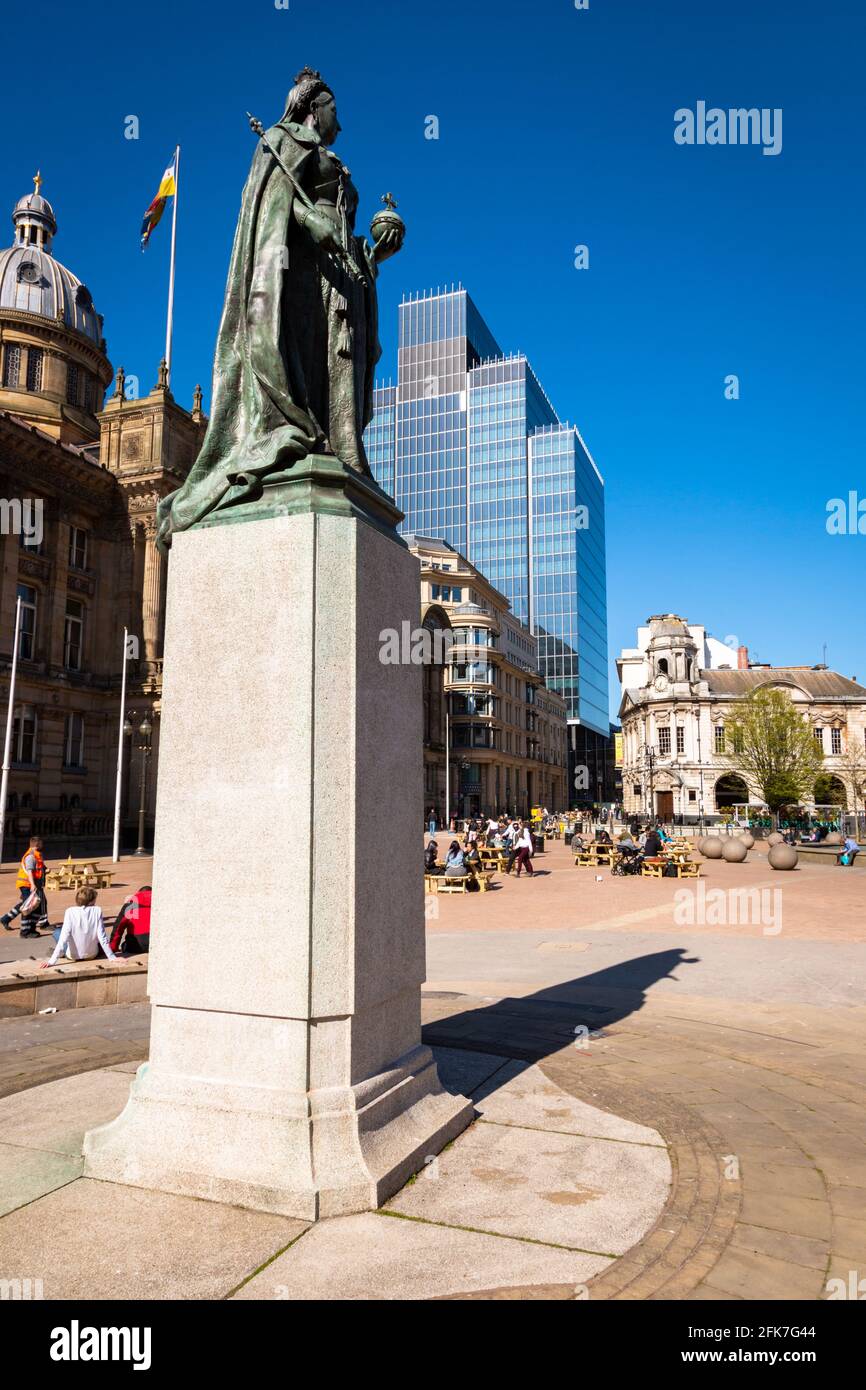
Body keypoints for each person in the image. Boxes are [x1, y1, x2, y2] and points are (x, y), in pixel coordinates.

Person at [40, 887, 116, 967]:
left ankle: (59, 953)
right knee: (62, 932)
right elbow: (102, 937)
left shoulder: (70, 911)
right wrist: (112, 957)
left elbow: (63, 938)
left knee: (57, 932)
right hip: (91, 954)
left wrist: (52, 961)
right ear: (91, 901)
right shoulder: (97, 910)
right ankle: (60, 952)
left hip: (73, 956)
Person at [2, 836, 48, 937]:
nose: (43, 845)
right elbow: (30, 872)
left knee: (28, 904)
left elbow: (38, 869)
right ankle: (25, 932)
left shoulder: (37, 855)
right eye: (41, 844)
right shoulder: (31, 856)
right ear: (37, 845)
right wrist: (32, 884)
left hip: (30, 884)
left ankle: (7, 919)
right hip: (27, 884)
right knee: (29, 907)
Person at [109, 886, 152, 955]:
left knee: (124, 945)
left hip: (135, 946)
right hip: (156, 945)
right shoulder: (160, 905)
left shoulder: (130, 906)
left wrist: (112, 948)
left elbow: (118, 928)